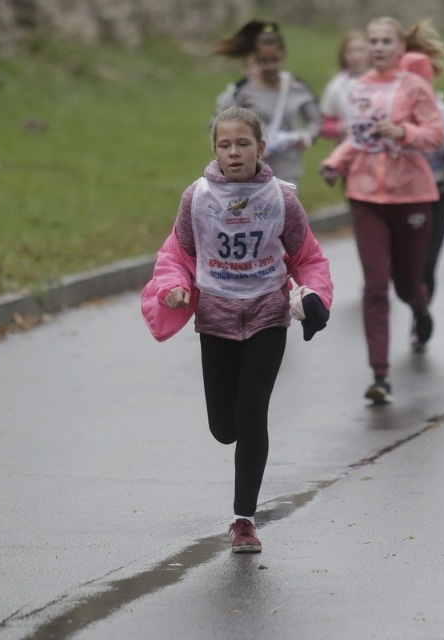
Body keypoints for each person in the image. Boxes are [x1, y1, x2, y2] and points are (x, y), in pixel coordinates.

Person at [140, 106, 333, 553]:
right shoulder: (198, 197)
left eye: (243, 143)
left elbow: (307, 257)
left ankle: (243, 520)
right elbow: (177, 255)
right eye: (225, 144)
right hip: (217, 320)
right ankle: (241, 498)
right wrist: (172, 287)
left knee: (251, 413)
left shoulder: (281, 198)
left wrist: (314, 296)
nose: (234, 152)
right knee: (224, 427)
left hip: (268, 315)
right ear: (214, 149)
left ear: (260, 148)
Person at [319, 16, 444, 405]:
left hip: (410, 195)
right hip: (365, 196)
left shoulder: (416, 87)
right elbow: (357, 139)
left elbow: (437, 136)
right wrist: (335, 162)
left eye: (385, 41)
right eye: (372, 41)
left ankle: (421, 311)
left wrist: (404, 132)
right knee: (375, 286)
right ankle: (380, 375)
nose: (376, 48)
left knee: (408, 283)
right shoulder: (356, 88)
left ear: (399, 47)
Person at [397, 46, 444, 350]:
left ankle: (420, 316)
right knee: (401, 268)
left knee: (425, 264)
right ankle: (417, 304)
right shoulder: (389, 113)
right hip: (399, 198)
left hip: (436, 196)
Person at [212, 20, 323, 185]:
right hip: (251, 170)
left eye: (274, 61)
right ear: (254, 59)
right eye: (264, 62)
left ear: (283, 55)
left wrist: (307, 137)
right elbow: (218, 123)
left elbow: (316, 120)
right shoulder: (242, 90)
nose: (270, 67)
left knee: (285, 209)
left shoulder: (298, 87)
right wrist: (239, 143)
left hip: (287, 169)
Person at [319, 30, 371, 142]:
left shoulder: (381, 82)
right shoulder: (337, 86)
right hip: (346, 149)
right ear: (343, 56)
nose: (356, 57)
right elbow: (322, 124)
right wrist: (340, 128)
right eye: (351, 51)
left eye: (361, 51)